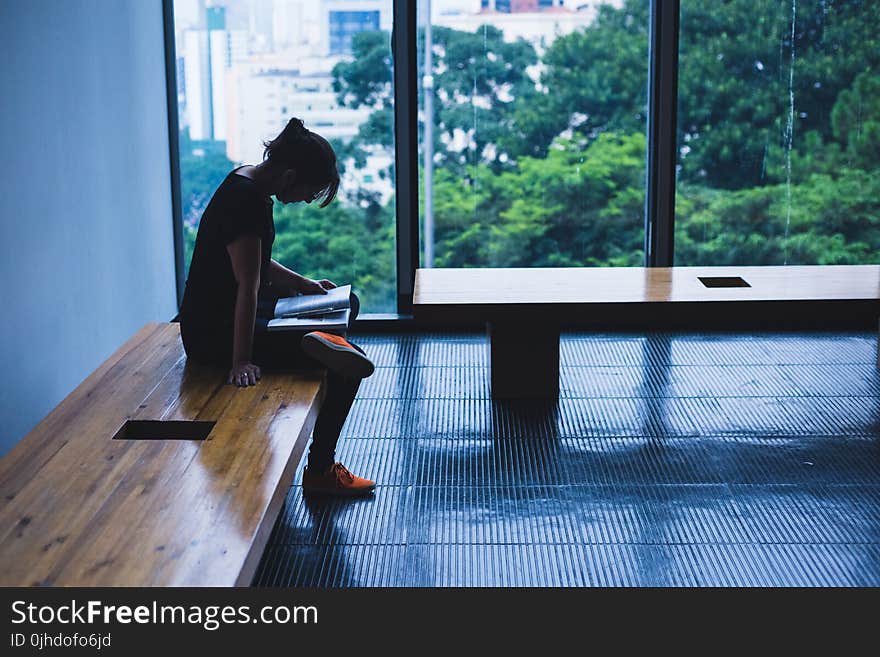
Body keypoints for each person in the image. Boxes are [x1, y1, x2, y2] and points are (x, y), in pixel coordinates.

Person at [178, 117, 375, 497]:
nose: (304, 200)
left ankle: (315, 335)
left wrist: (304, 285)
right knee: (349, 367)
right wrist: (240, 361)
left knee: (344, 302)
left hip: (225, 311)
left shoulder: (245, 180)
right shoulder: (247, 201)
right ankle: (320, 472)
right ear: (288, 177)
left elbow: (251, 262)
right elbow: (247, 286)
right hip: (216, 332)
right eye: (307, 192)